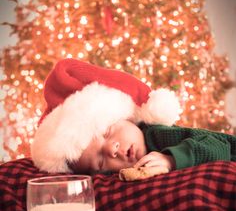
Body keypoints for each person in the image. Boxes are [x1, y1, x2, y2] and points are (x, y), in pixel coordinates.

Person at [31, 58, 236, 175]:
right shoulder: (120, 175)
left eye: (108, 132)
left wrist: (170, 160)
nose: (111, 149)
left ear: (126, 117)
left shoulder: (157, 135)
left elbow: (219, 146)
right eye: (100, 162)